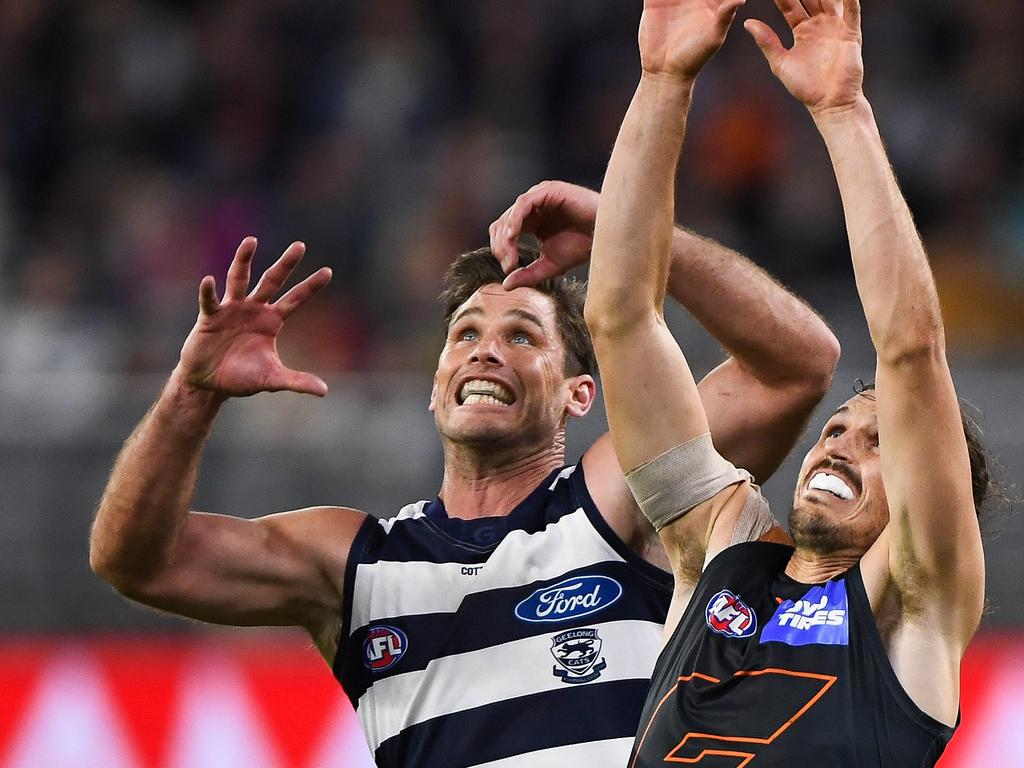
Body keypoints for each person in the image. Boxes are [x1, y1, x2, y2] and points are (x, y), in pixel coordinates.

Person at [89, 191, 837, 763]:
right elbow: (136, 559)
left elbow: (796, 366)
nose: (485, 351)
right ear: (436, 380)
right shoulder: (356, 562)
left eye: (521, 335)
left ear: (581, 394)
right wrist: (191, 394)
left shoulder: (619, 496)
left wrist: (626, 228)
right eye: (466, 334)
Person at [581, 0, 989, 764]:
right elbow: (621, 323)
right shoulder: (719, 553)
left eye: (877, 444)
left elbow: (910, 349)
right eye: (836, 429)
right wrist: (662, 80)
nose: (839, 445)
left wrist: (842, 112)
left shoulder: (913, 609)